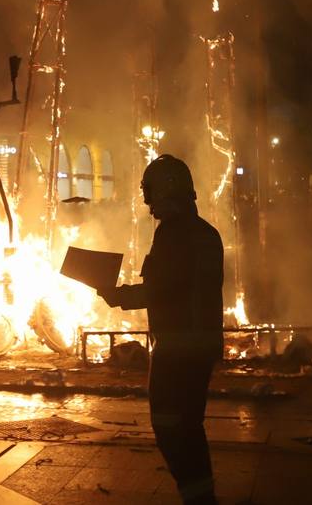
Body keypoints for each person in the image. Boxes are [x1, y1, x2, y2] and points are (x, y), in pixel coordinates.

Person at [99, 154, 223, 504]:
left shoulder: (174, 234)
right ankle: (202, 496)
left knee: (170, 428)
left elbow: (162, 288)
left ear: (167, 189)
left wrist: (118, 296)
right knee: (189, 426)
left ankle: (197, 498)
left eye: (149, 191)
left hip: (178, 348)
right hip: (201, 347)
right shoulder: (205, 233)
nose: (147, 201)